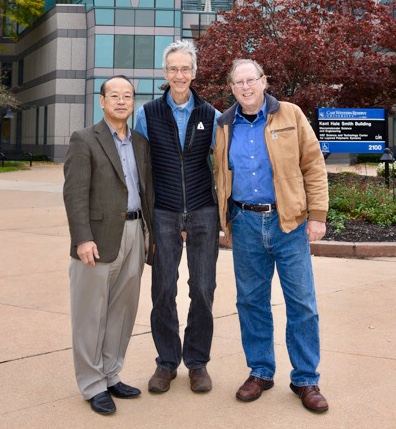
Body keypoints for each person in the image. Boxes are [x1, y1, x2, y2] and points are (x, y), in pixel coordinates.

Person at [213, 59, 329, 413]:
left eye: (251, 80)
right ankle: (261, 371)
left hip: (288, 224)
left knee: (302, 305)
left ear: (264, 82)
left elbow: (313, 165)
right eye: (238, 82)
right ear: (231, 88)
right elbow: (218, 172)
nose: (246, 87)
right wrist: (223, 219)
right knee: (251, 302)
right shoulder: (223, 124)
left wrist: (317, 216)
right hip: (245, 224)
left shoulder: (291, 115)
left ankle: (306, 379)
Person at [63, 75, 153, 415]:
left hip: (134, 234)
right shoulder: (84, 139)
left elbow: (147, 192)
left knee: (122, 312)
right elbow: (74, 194)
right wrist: (82, 237)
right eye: (114, 95)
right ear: (101, 101)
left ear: (133, 102)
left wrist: (151, 235)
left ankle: (111, 374)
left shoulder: (141, 143)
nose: (121, 101)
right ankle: (91, 384)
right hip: (97, 240)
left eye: (127, 96)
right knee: (90, 315)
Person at [135, 40, 220, 394]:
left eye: (185, 69)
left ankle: (197, 363)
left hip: (203, 211)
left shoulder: (212, 115)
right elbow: (137, 166)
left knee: (202, 289)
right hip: (164, 213)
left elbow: (222, 164)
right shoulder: (147, 113)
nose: (179, 75)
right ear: (165, 73)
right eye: (173, 69)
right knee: (163, 290)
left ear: (195, 73)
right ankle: (167, 363)